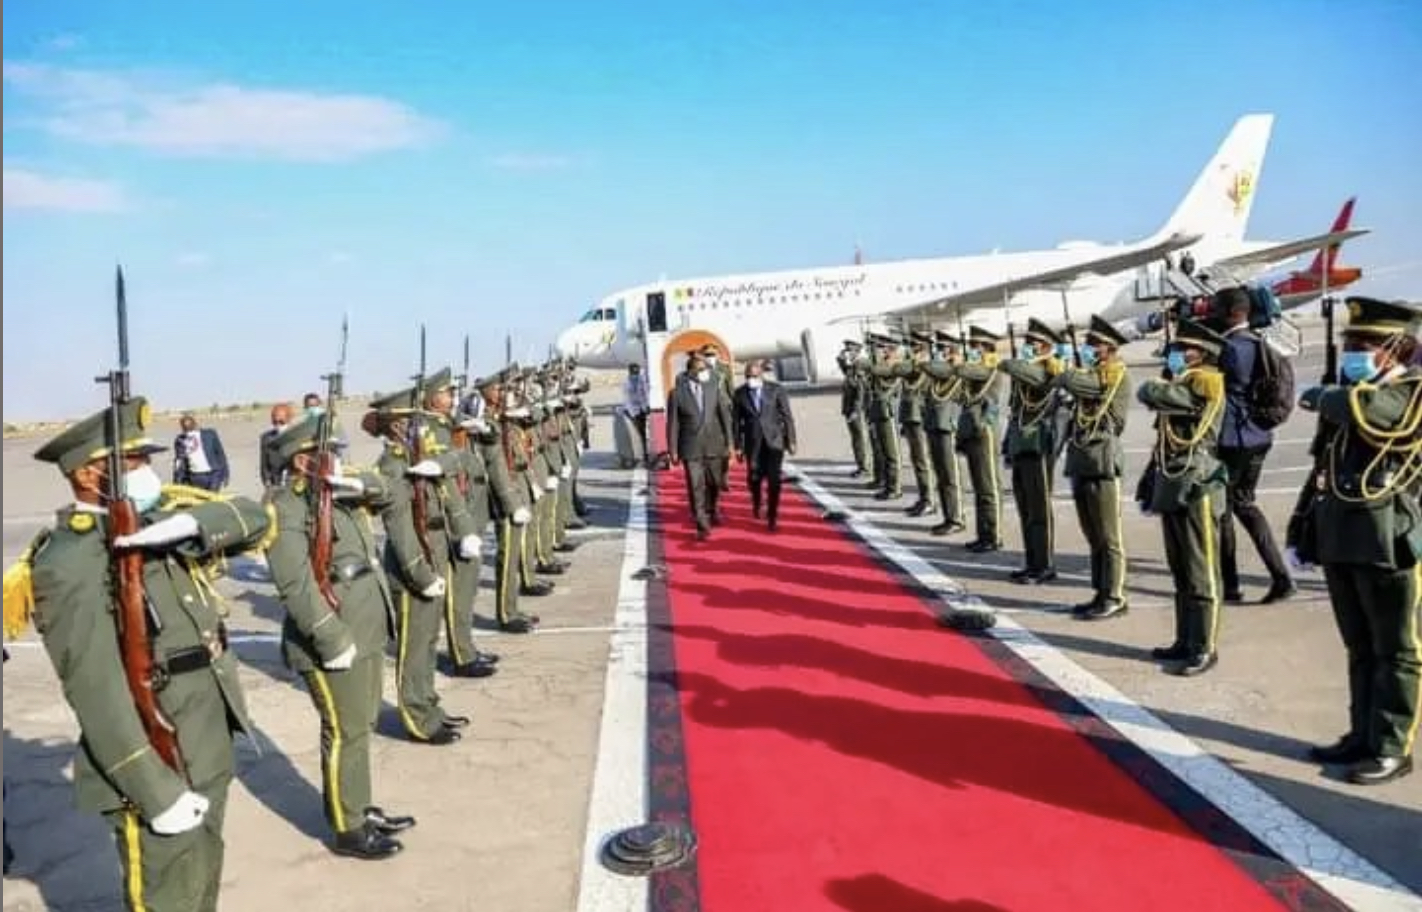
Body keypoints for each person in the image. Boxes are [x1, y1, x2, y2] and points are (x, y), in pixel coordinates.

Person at [27, 395, 270, 911]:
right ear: (90, 475)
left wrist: (191, 525)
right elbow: (96, 691)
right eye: (133, 462)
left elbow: (253, 516)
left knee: (201, 875)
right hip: (151, 750)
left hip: (203, 729)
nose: (147, 472)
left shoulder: (157, 524)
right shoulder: (69, 562)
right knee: (166, 893)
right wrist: (153, 788)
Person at [261, 414, 415, 859]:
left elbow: (391, 492)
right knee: (345, 729)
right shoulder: (286, 508)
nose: (338, 459)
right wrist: (331, 637)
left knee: (362, 723)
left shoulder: (337, 496)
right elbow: (295, 584)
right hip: (331, 637)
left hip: (363, 627)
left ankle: (358, 806)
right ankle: (347, 828)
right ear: (304, 460)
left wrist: (354, 483)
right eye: (329, 453)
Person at [1291, 296, 1421, 785]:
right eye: (1349, 344)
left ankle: (1391, 745)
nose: (1353, 353)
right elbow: (1323, 463)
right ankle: (1361, 733)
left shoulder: (1409, 392)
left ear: (1396, 348)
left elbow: (1376, 413)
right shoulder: (1353, 395)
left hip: (1388, 536)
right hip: (1342, 533)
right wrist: (1303, 524)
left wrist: (1322, 394)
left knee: (1396, 648)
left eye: (1364, 345)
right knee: (1359, 644)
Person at [362, 376, 470, 745]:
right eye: (412, 420)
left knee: (428, 641)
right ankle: (417, 718)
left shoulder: (419, 457)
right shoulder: (392, 466)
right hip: (414, 564)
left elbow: (457, 459)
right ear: (396, 426)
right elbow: (400, 529)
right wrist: (420, 574)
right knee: (414, 646)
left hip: (435, 551)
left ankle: (430, 705)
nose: (420, 425)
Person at [1137, 319, 1228, 676]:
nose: (1174, 354)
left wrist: (1160, 382)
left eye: (1181, 349)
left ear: (1200, 354)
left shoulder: (1208, 383)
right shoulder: (1181, 381)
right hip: (1173, 481)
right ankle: (1185, 639)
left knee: (1202, 570)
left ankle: (1205, 645)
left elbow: (1154, 393)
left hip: (1197, 484)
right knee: (1181, 570)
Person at [1215, 286, 1295, 603]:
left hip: (1234, 437)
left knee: (1223, 510)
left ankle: (1231, 583)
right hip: (1259, 435)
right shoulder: (1259, 342)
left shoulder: (1233, 348)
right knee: (1245, 504)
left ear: (1231, 313)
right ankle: (1280, 576)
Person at [1057, 316, 1132, 617]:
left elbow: (1074, 382)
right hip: (1082, 460)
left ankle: (1115, 595)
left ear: (1108, 347)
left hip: (1102, 460)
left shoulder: (1114, 375)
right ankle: (1100, 591)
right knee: (1092, 534)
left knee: (1109, 536)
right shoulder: (1094, 374)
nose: (1088, 348)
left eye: (1093, 344)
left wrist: (1069, 369)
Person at [1000, 318, 1067, 583]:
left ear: (1046, 345)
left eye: (1033, 342)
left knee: (1039, 507)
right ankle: (1031, 562)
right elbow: (1016, 409)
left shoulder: (1050, 369)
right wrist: (1008, 444)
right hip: (1021, 442)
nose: (1028, 346)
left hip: (1040, 444)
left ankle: (1045, 565)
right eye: (1027, 342)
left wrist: (1018, 361)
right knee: (1025, 506)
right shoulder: (1027, 368)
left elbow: (1010, 366)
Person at [667, 351, 734, 539]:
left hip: (714, 444)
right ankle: (701, 522)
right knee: (695, 485)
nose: (705, 373)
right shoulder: (676, 394)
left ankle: (712, 509)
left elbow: (724, 417)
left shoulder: (714, 388)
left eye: (705, 369)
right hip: (691, 447)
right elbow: (673, 424)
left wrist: (729, 442)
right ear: (690, 373)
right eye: (701, 370)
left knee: (714, 482)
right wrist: (672, 449)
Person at [953, 325, 1007, 552]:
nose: (972, 350)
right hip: (972, 428)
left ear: (985, 347)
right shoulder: (976, 367)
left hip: (985, 429)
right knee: (978, 485)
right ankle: (983, 533)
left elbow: (968, 372)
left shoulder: (990, 366)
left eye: (975, 346)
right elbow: (961, 395)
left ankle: (993, 535)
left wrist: (957, 363)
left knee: (989, 485)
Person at [732, 360, 797, 530]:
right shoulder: (740, 394)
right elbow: (736, 423)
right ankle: (756, 501)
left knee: (774, 479)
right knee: (754, 478)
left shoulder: (776, 390)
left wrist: (791, 440)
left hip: (774, 441)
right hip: (752, 444)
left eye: (753, 376)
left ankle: (772, 515)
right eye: (747, 376)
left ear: (761, 375)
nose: (750, 380)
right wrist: (737, 446)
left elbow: (787, 416)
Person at [172, 413, 229, 491]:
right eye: (184, 425)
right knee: (200, 501)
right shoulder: (180, 440)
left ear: (195, 424)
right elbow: (179, 461)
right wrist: (177, 480)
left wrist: (226, 474)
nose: (187, 425)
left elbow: (220, 454)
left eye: (189, 423)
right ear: (182, 427)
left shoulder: (209, 434)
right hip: (195, 477)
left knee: (212, 499)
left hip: (213, 474)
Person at [259, 402, 294, 487]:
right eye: (275, 422)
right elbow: (264, 463)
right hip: (275, 482)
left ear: (289, 419)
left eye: (281, 422)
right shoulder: (266, 438)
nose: (278, 425)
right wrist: (266, 480)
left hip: (292, 481)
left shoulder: (296, 435)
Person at [623, 363, 651, 460]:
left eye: (637, 372)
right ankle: (638, 454)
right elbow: (626, 398)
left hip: (642, 410)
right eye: (633, 372)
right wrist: (630, 412)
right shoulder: (626, 382)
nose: (635, 375)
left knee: (643, 433)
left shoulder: (641, 380)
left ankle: (644, 453)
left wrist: (647, 406)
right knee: (636, 434)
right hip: (633, 411)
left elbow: (646, 394)